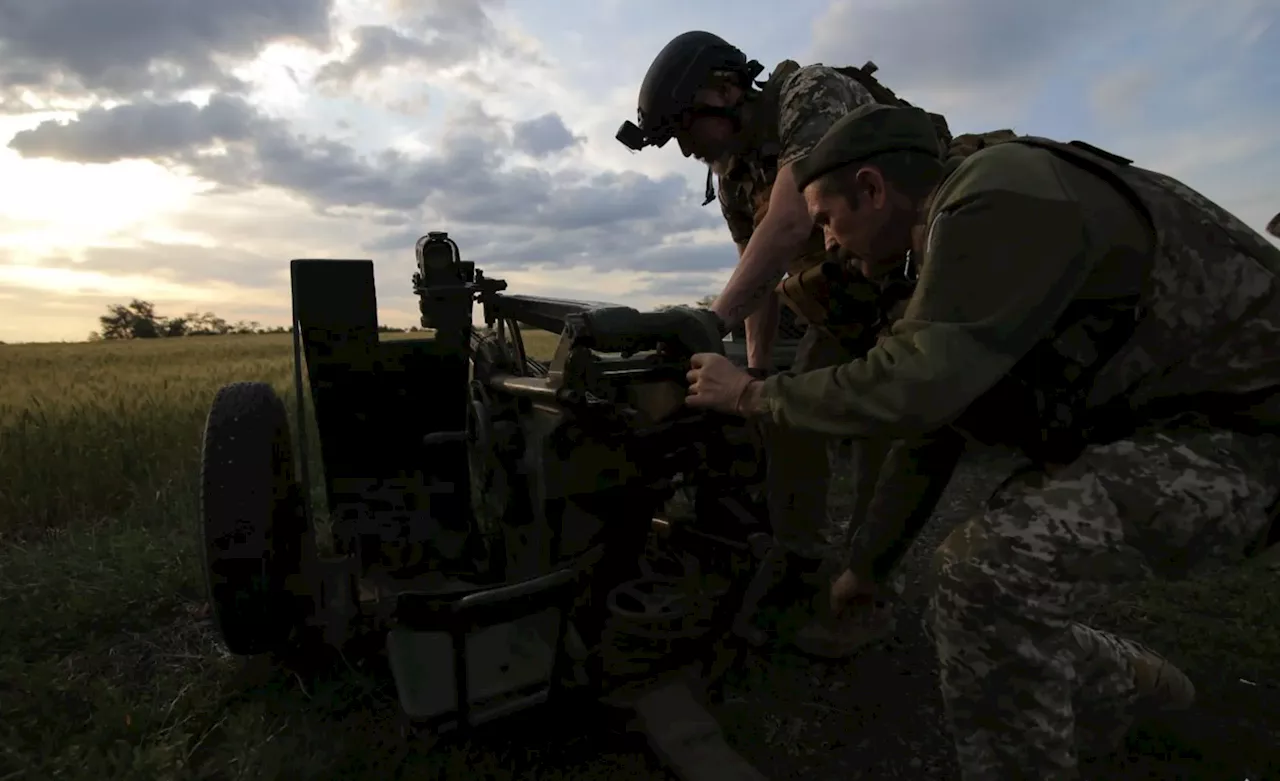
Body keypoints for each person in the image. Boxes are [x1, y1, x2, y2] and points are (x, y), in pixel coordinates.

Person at [684, 102, 1280, 779]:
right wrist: (869, 569)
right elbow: (938, 422)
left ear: (874, 190)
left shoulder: (993, 195)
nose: (829, 244)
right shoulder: (962, 226)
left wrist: (752, 393)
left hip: (1249, 436)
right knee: (975, 597)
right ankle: (1128, 682)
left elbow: (916, 387)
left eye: (826, 220)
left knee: (986, 573)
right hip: (1190, 423)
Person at [618, 31, 950, 655]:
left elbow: (792, 218)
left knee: (885, 423)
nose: (686, 149)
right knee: (784, 413)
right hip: (847, 298)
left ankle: (867, 589)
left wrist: (707, 324)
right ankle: (800, 562)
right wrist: (757, 373)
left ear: (725, 91)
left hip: (920, 275)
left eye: (685, 128)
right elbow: (760, 272)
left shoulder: (810, 93)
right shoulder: (734, 173)